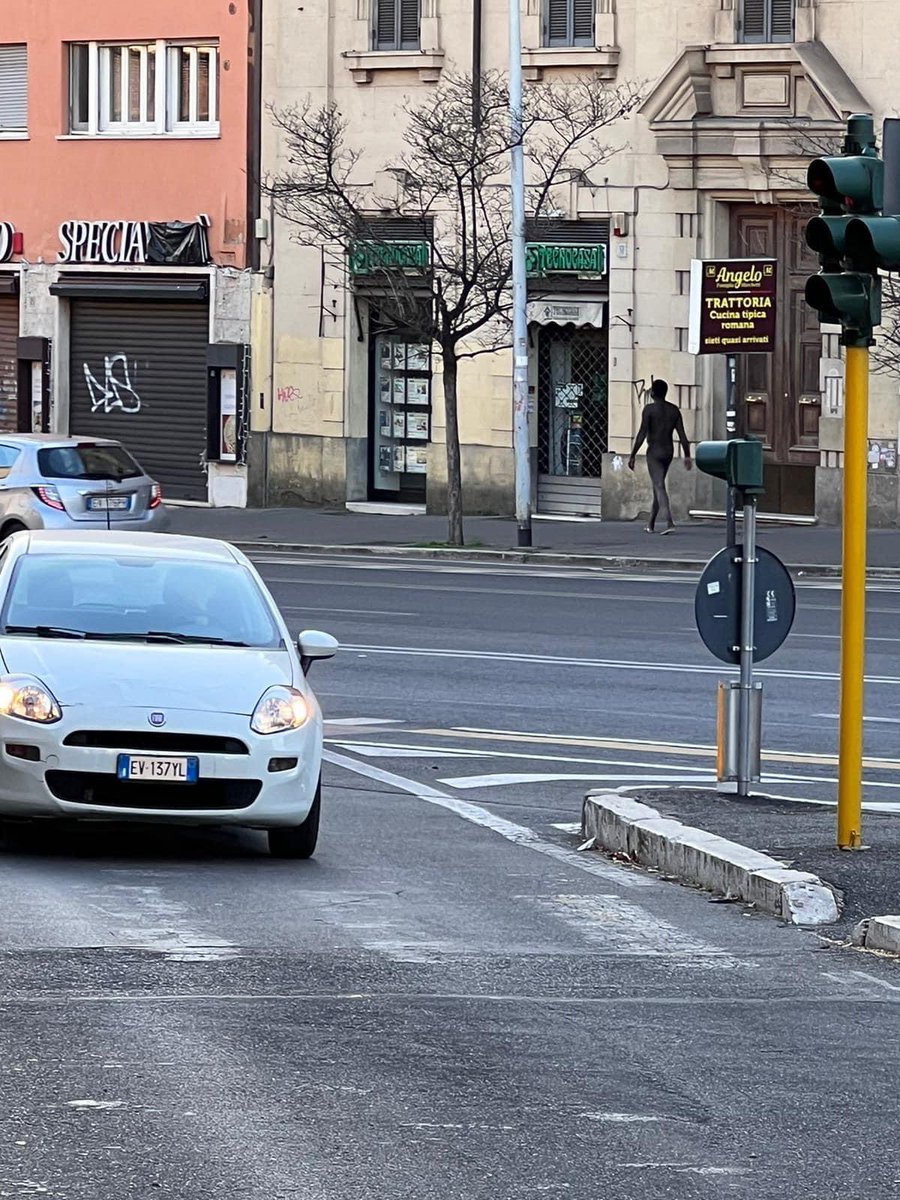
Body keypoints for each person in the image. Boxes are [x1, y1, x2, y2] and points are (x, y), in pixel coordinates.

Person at [627, 379, 692, 534]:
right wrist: (687, 456)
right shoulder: (674, 410)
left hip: (654, 451)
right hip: (668, 451)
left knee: (659, 486)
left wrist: (632, 455)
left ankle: (670, 522)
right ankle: (650, 524)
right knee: (659, 484)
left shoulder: (649, 410)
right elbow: (683, 435)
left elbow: (642, 433)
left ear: (653, 393)